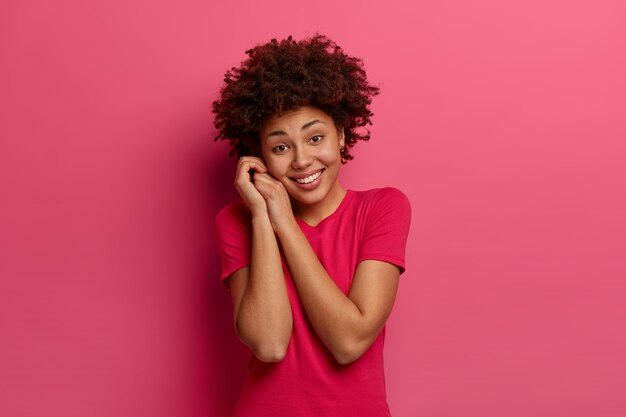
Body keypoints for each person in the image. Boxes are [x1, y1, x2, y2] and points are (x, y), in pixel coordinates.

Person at [212, 34, 412, 417]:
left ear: (340, 135)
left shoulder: (382, 207)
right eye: (281, 147)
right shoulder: (238, 221)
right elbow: (269, 344)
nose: (302, 160)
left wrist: (284, 221)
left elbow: (349, 341)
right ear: (261, 158)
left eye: (315, 137)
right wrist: (262, 215)